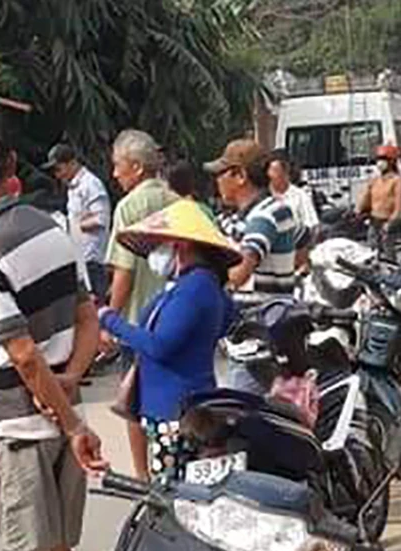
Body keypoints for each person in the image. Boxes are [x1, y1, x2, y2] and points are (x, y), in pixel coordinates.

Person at [0, 105, 106, 551]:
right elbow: (88, 318)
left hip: (14, 430)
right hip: (61, 413)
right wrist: (69, 383)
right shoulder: (52, 230)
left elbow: (24, 354)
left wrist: (73, 426)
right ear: (12, 164)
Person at [99, 199, 238, 481]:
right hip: (181, 405)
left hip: (174, 411)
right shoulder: (199, 285)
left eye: (160, 244)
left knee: (172, 490)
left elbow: (160, 345)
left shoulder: (194, 288)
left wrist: (110, 320)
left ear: (180, 245)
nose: (155, 252)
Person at [104, 129, 179, 480]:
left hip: (137, 324)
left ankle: (142, 476)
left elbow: (125, 272)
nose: (114, 173)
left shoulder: (129, 207)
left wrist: (109, 318)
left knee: (134, 401)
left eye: (118, 165)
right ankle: (172, 468)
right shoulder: (176, 201)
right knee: (171, 400)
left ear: (136, 167)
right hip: (176, 317)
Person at [206, 139, 307, 393]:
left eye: (221, 174)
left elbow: (239, 274)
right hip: (267, 330)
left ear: (240, 176)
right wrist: (283, 274)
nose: (217, 181)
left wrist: (212, 270)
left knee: (244, 410)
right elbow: (304, 241)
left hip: (258, 341)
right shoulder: (272, 210)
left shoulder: (263, 217)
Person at [45, 143, 112, 300]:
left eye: (59, 169)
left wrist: (72, 226)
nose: (57, 175)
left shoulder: (90, 184)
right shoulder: (73, 187)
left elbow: (101, 219)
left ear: (72, 163)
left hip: (93, 258)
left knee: (97, 303)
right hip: (80, 256)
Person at [356, 145, 401, 254]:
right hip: (374, 221)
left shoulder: (396, 181)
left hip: (388, 223)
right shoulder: (375, 180)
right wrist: (358, 211)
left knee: (388, 252)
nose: (379, 162)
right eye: (378, 159)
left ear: (391, 161)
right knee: (371, 251)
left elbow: (399, 206)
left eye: (383, 159)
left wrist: (390, 223)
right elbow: (366, 198)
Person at [266, 151, 319, 238]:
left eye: (275, 170)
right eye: (269, 170)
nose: (270, 174)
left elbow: (312, 226)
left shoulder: (300, 196)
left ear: (285, 173)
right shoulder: (263, 197)